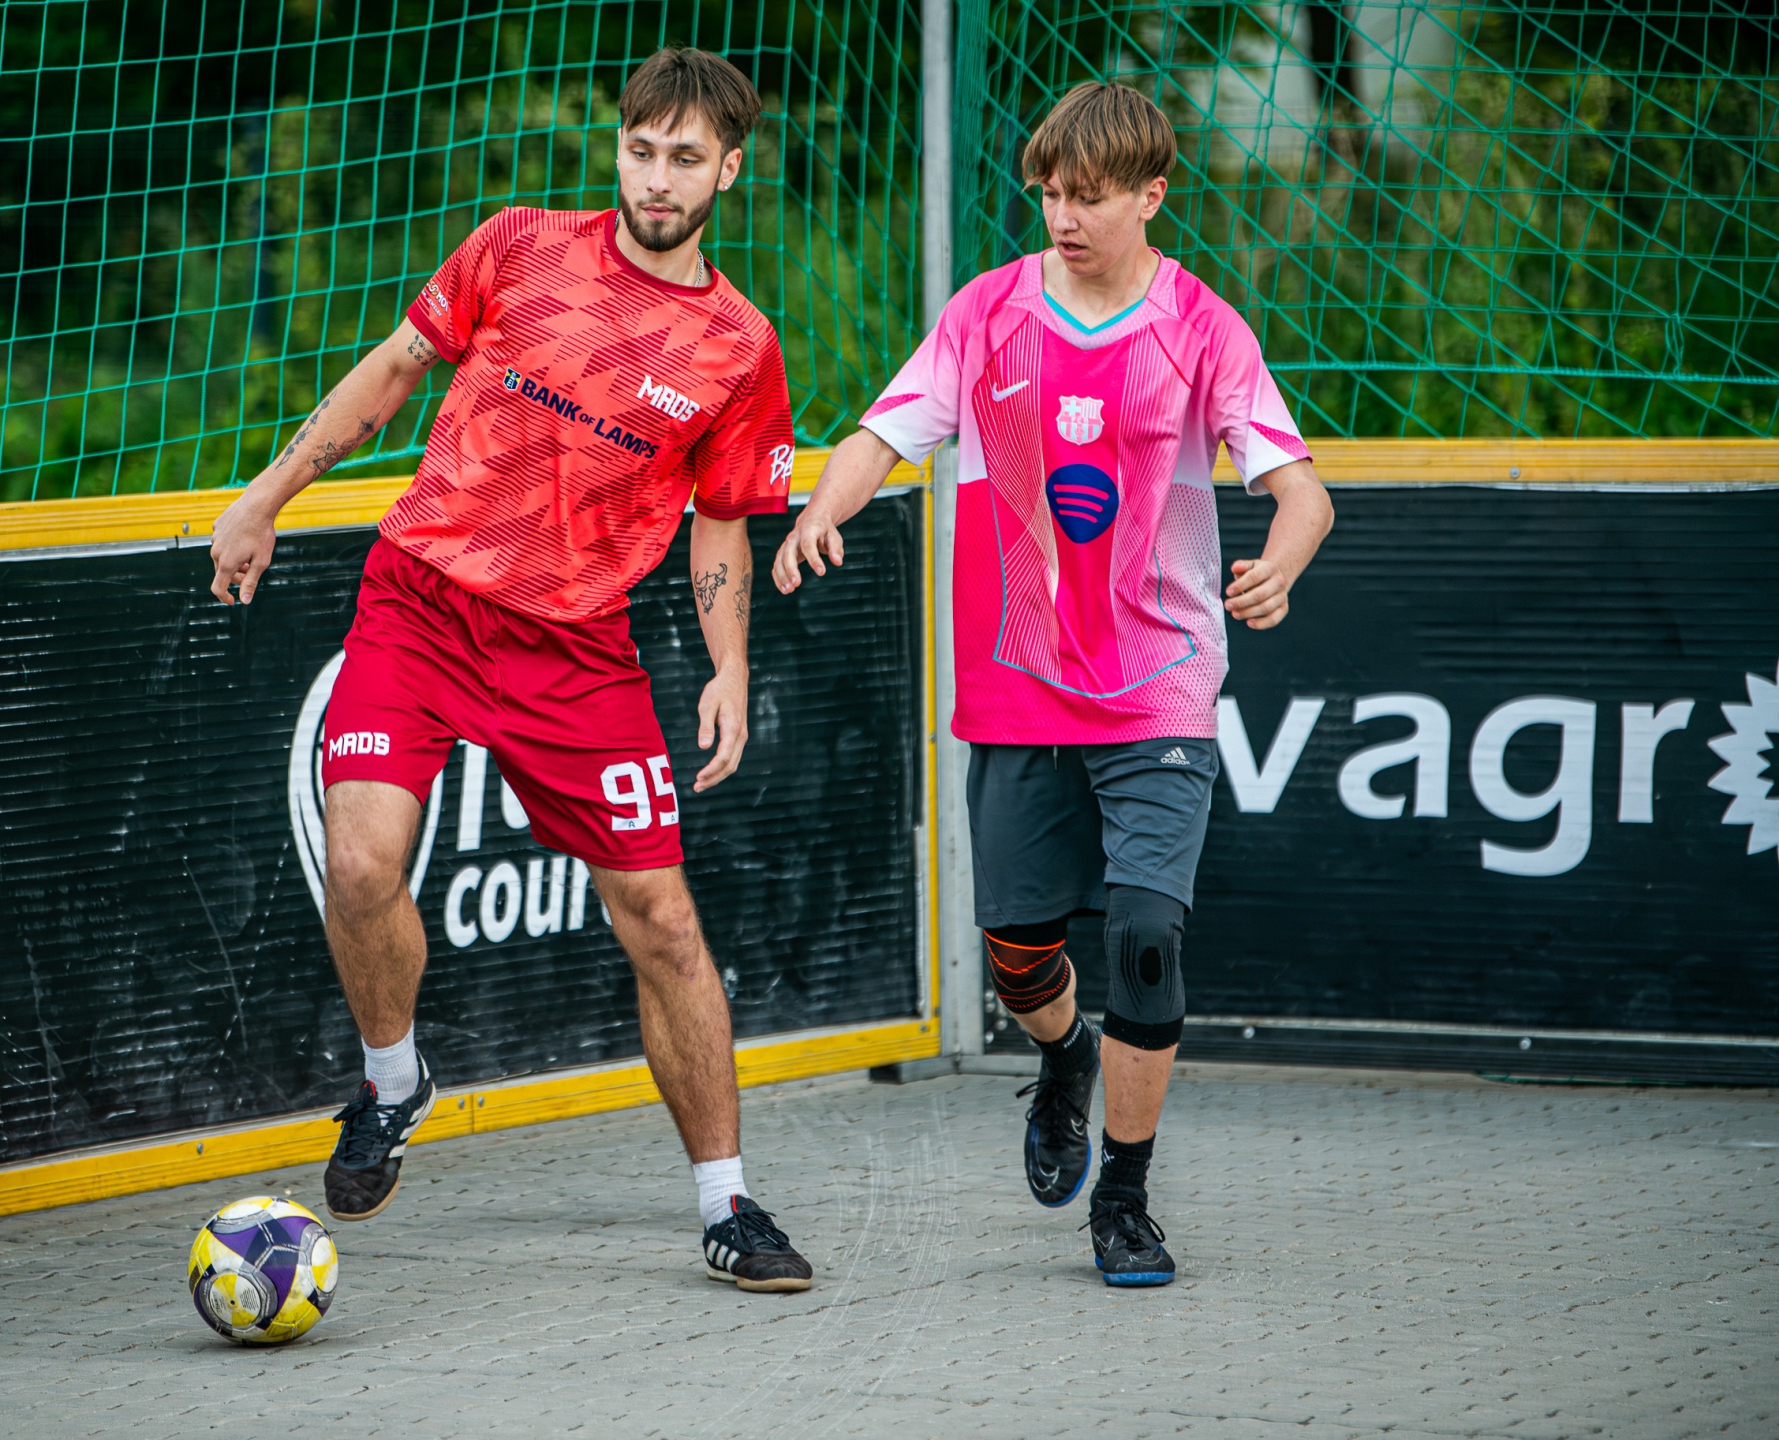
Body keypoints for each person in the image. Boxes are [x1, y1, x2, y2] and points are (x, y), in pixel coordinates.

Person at [205, 47, 812, 1294]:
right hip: (421, 605)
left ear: (729, 171)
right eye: (640, 150)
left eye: (685, 158)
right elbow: (391, 371)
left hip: (576, 650)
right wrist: (265, 496)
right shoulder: (521, 245)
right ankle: (393, 1082)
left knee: (663, 922)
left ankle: (728, 1203)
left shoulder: (739, 346)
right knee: (360, 862)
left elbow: (722, 522)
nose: (656, 179)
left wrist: (729, 666)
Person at [774, 82, 1333, 1287]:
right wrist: (825, 507)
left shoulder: (1203, 327)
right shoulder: (985, 313)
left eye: (1088, 197)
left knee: (1145, 937)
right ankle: (1065, 1055)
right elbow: (882, 433)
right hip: (1018, 683)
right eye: (1048, 194)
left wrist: (1281, 562)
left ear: (1152, 196)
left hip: (1160, 684)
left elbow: (1302, 490)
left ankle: (1123, 1199)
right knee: (1018, 952)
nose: (1063, 216)